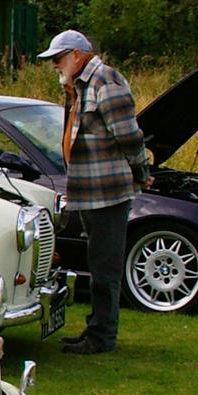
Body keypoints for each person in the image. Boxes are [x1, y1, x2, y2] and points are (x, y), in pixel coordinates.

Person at [39, 29, 149, 355]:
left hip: (107, 192)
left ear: (77, 55)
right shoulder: (80, 86)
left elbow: (129, 136)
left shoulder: (106, 81)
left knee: (105, 268)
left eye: (58, 59)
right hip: (89, 192)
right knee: (98, 264)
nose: (55, 65)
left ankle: (102, 337)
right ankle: (95, 328)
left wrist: (141, 172)